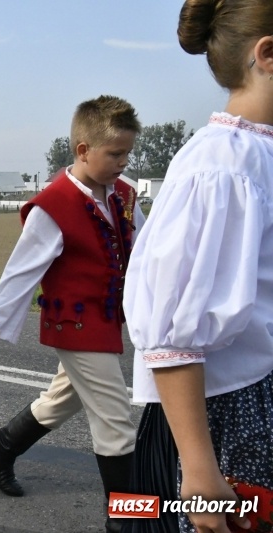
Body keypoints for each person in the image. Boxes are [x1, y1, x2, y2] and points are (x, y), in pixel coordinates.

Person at [124, 2, 273, 532]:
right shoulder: (223, 164)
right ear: (267, 54)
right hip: (230, 413)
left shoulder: (257, 155)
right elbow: (172, 329)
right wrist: (201, 473)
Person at [0, 96, 144, 533]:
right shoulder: (54, 205)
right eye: (114, 154)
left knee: (60, 400)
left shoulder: (124, 195)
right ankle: (127, 522)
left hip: (106, 320)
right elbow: (20, 271)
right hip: (74, 325)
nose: (122, 163)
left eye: (127, 153)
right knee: (116, 420)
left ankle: (1, 448)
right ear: (83, 149)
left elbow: (146, 253)